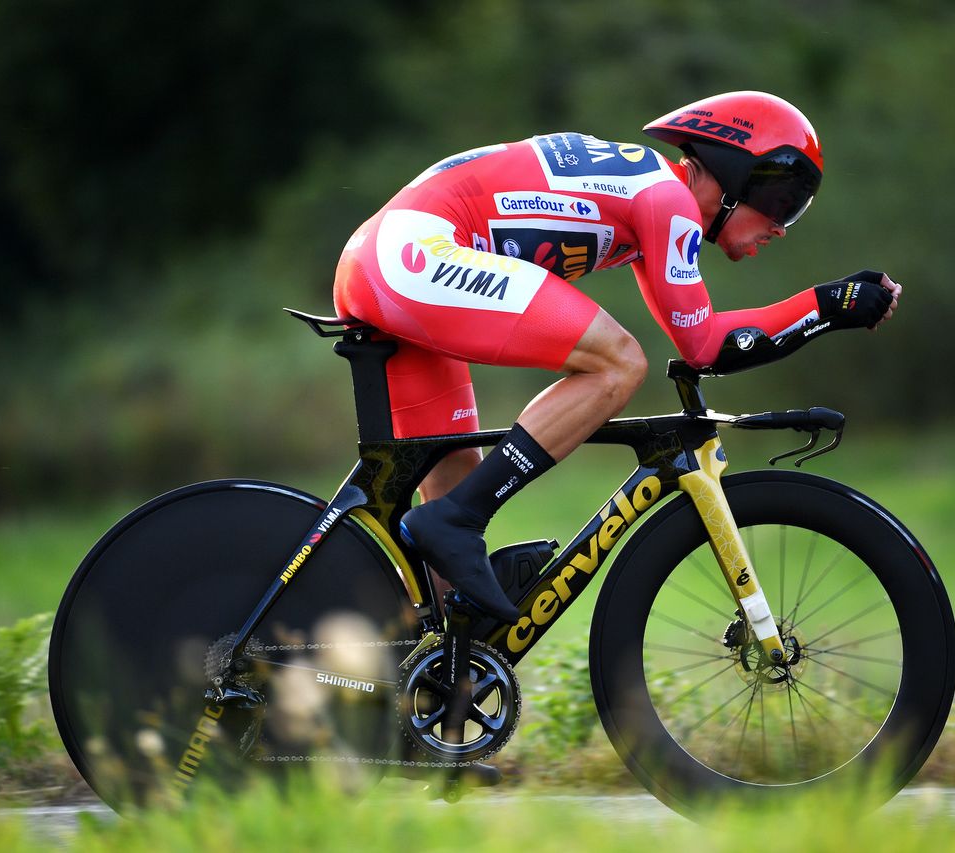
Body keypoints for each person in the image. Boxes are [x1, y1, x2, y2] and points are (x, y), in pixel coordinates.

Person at [333, 91, 900, 623]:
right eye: (780, 200)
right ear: (730, 172)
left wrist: (829, 303)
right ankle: (457, 520)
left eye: (793, 210)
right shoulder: (670, 201)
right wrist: (827, 305)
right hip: (412, 256)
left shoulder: (651, 195)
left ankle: (436, 692)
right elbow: (705, 347)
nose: (780, 225)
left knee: (450, 544)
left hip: (384, 256)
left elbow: (700, 340)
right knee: (618, 362)